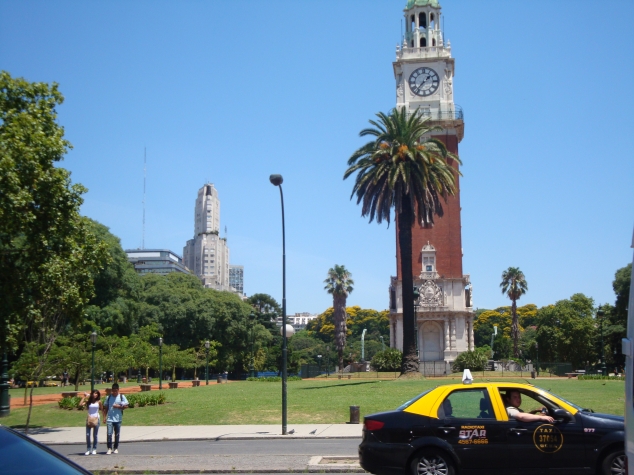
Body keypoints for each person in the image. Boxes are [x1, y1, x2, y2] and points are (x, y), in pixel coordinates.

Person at [102, 383, 129, 455]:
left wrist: (118, 406)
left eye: (116, 391)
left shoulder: (121, 397)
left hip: (118, 418)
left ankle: (116, 448)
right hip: (110, 419)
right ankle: (109, 448)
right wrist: (104, 417)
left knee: (117, 434)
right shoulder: (108, 397)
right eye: (113, 391)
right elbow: (106, 408)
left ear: (118, 390)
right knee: (109, 434)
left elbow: (126, 406)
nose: (114, 392)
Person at [79, 389, 103, 455]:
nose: (95, 395)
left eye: (96, 393)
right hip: (89, 419)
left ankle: (94, 449)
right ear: (92, 394)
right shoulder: (89, 402)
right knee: (87, 435)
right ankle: (88, 449)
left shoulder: (99, 402)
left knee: (95, 435)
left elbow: (102, 409)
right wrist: (84, 397)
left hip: (96, 419)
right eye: (94, 393)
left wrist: (104, 418)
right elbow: (80, 404)